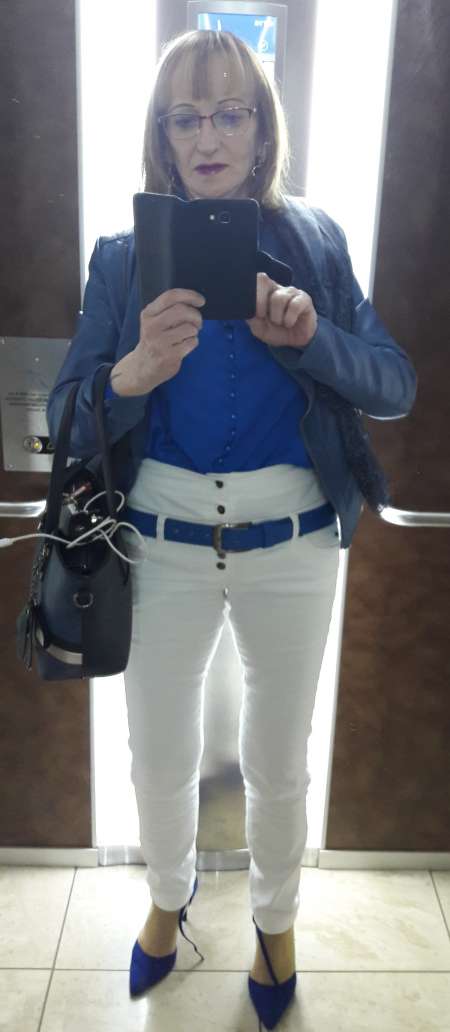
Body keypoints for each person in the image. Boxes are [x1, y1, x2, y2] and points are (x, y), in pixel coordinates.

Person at [46, 28, 417, 1029]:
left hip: (293, 543)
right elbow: (67, 413)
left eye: (229, 113)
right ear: (161, 136)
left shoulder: (318, 243)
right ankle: (167, 899)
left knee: (280, 759)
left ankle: (276, 921)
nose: (207, 136)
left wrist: (315, 339)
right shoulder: (123, 257)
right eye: (185, 116)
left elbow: (395, 386)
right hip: (158, 541)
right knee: (156, 752)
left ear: (262, 131)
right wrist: (130, 375)